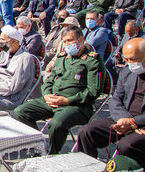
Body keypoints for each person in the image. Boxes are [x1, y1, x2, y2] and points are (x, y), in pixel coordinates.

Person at [14, 25, 105, 154]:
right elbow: (48, 81)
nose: (67, 44)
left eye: (70, 40)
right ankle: (39, 147)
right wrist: (46, 95)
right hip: (52, 100)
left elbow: (93, 91)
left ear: (81, 40)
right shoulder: (62, 58)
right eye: (65, 41)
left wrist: (67, 101)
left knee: (57, 124)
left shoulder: (92, 61)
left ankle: (52, 154)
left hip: (76, 106)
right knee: (20, 112)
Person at [77, 38, 145, 167]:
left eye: (134, 59)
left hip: (142, 125)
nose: (130, 63)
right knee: (86, 132)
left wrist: (133, 123)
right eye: (127, 59)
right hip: (123, 118)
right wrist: (125, 120)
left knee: (127, 145)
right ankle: (88, 169)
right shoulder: (127, 72)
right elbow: (115, 99)